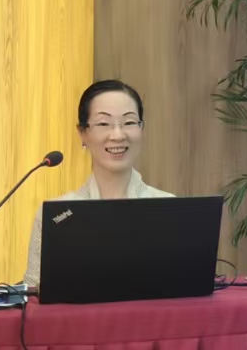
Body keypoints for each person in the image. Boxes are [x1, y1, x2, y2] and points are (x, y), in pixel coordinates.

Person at [22, 79, 175, 290]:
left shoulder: (169, 208)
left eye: (129, 122)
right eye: (103, 124)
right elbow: (33, 293)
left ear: (142, 128)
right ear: (83, 133)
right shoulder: (56, 214)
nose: (118, 135)